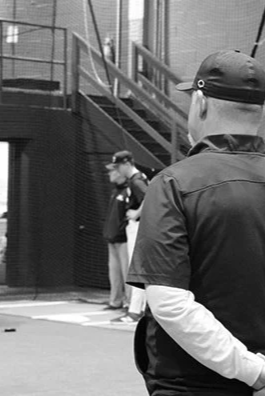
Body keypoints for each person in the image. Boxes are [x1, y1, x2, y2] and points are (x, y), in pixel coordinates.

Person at [128, 50, 265, 395]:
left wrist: (254, 371)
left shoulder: (174, 183)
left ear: (200, 103)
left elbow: (171, 304)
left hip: (192, 384)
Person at [109, 150, 148, 324]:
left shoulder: (136, 180)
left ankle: (134, 311)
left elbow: (149, 197)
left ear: (127, 164)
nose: (118, 170)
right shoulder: (138, 178)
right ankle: (140, 309)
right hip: (139, 227)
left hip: (137, 227)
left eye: (119, 166)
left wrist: (136, 212)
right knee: (139, 270)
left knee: (137, 270)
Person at [101, 165, 129, 310]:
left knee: (127, 273)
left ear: (119, 172)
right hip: (112, 238)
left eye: (112, 171)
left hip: (124, 239)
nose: (109, 174)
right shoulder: (115, 191)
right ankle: (115, 301)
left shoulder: (129, 190)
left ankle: (130, 304)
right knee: (114, 273)